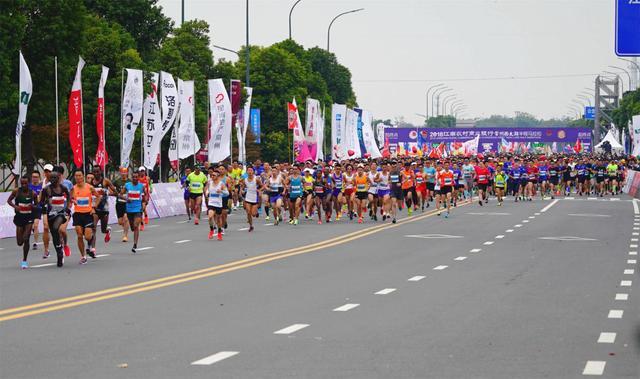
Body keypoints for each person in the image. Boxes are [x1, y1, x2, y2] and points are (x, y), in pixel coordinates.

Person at [39, 172, 71, 267]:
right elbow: (41, 201)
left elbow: (69, 196)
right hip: (51, 214)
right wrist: (45, 204)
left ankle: (60, 249)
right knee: (54, 234)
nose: (53, 179)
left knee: (56, 227)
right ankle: (59, 252)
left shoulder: (63, 188)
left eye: (55, 177)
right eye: (51, 178)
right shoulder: (46, 189)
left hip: (61, 213)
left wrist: (67, 207)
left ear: (58, 178)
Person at [71, 170, 100, 264]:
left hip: (88, 214)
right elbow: (70, 198)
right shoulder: (73, 188)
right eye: (76, 176)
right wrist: (72, 201)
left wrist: (94, 207)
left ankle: (89, 245)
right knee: (79, 235)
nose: (78, 177)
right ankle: (83, 256)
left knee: (87, 236)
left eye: (79, 175)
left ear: (83, 176)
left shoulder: (89, 187)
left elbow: (98, 196)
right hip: (78, 214)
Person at [7, 176, 37, 269]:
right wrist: (15, 206)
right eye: (22, 183)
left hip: (29, 217)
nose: (24, 185)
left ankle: (24, 261)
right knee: (20, 242)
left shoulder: (33, 193)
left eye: (25, 183)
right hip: (19, 218)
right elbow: (9, 200)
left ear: (29, 183)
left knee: (26, 238)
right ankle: (23, 235)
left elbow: (36, 204)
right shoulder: (16, 191)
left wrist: (33, 206)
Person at [89, 166, 116, 251]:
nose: (96, 173)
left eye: (97, 172)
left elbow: (115, 191)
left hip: (104, 208)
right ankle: (93, 248)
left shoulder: (105, 181)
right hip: (95, 208)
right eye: (94, 172)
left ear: (100, 171)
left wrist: (107, 192)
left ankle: (107, 231)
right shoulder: (90, 183)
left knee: (103, 230)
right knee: (93, 227)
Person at [121, 171, 146, 253]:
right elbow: (120, 194)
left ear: (138, 177)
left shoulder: (141, 186)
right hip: (129, 210)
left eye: (136, 177)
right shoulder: (127, 185)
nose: (135, 178)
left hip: (138, 209)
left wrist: (144, 204)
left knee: (136, 225)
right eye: (133, 177)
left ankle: (135, 244)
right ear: (131, 178)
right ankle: (134, 231)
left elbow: (145, 196)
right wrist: (126, 199)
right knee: (132, 227)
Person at [205, 167, 229, 240]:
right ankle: (211, 230)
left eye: (214, 175)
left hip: (218, 204)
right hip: (211, 203)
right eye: (212, 175)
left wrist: (221, 191)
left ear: (218, 176)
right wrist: (207, 194)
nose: (212, 176)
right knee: (210, 217)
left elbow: (227, 193)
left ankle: (219, 233)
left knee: (218, 220)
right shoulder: (209, 183)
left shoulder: (221, 184)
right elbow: (206, 190)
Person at [241, 166, 262, 231]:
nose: (250, 172)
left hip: (254, 198)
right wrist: (242, 190)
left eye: (251, 170)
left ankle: (256, 212)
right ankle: (251, 226)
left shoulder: (256, 179)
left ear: (253, 172)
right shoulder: (245, 180)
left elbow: (262, 186)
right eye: (248, 170)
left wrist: (259, 190)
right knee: (248, 212)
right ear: (247, 172)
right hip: (248, 197)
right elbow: (243, 187)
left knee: (253, 214)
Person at [113, 168, 131, 242]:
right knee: (120, 222)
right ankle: (125, 228)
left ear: (127, 173)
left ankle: (125, 235)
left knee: (126, 218)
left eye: (125, 172)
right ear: (120, 173)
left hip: (127, 203)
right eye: (122, 172)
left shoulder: (130, 182)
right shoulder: (117, 181)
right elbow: (111, 187)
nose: (123, 174)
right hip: (119, 203)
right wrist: (114, 193)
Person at [29, 171, 43, 252]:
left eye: (36, 177)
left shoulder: (41, 187)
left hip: (38, 208)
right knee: (30, 226)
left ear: (39, 178)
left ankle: (35, 242)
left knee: (36, 225)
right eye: (33, 177)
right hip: (29, 209)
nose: (35, 178)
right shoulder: (28, 186)